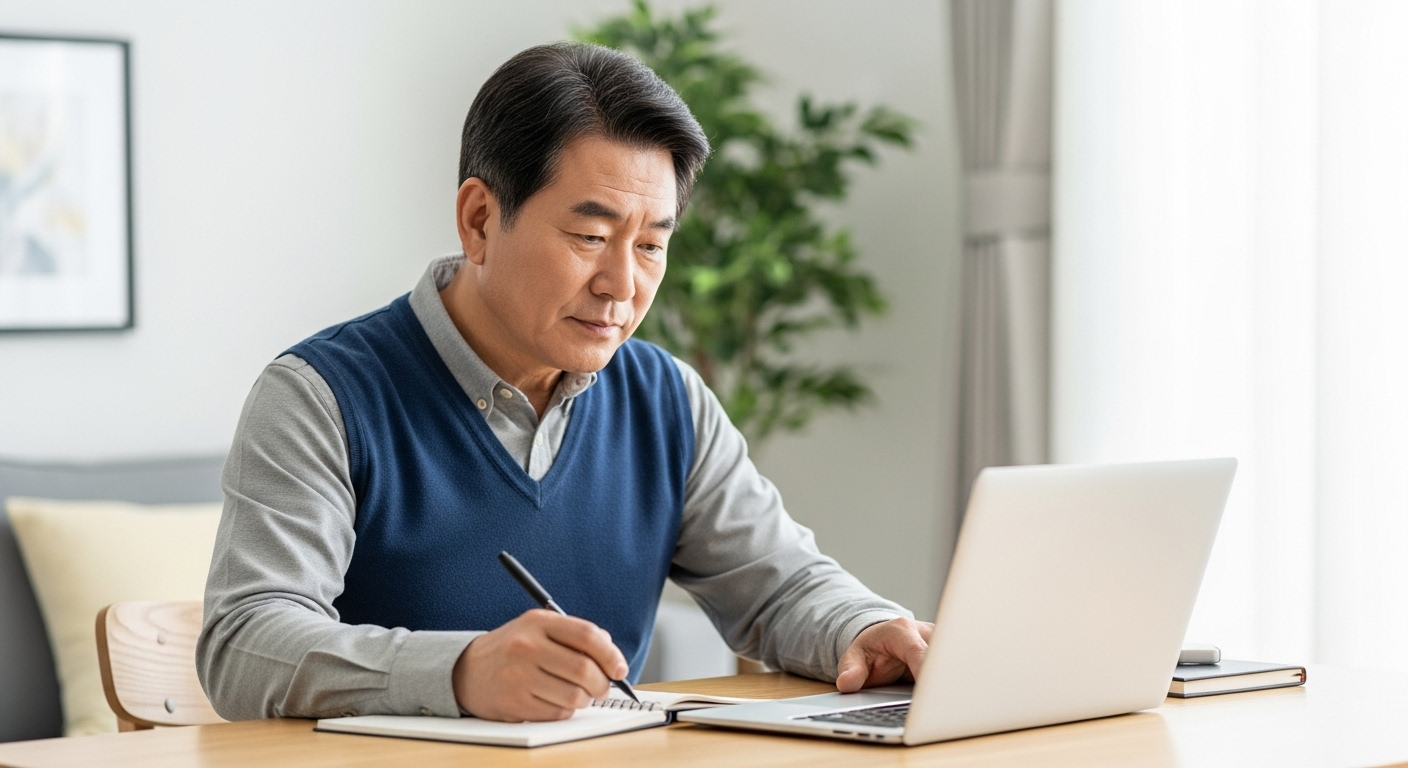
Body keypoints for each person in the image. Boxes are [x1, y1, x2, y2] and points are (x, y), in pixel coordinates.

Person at [197, 41, 932, 724]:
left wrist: (864, 628)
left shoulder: (667, 399)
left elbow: (780, 586)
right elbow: (244, 640)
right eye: (589, 236)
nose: (622, 285)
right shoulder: (320, 395)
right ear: (480, 219)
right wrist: (458, 673)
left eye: (651, 245)